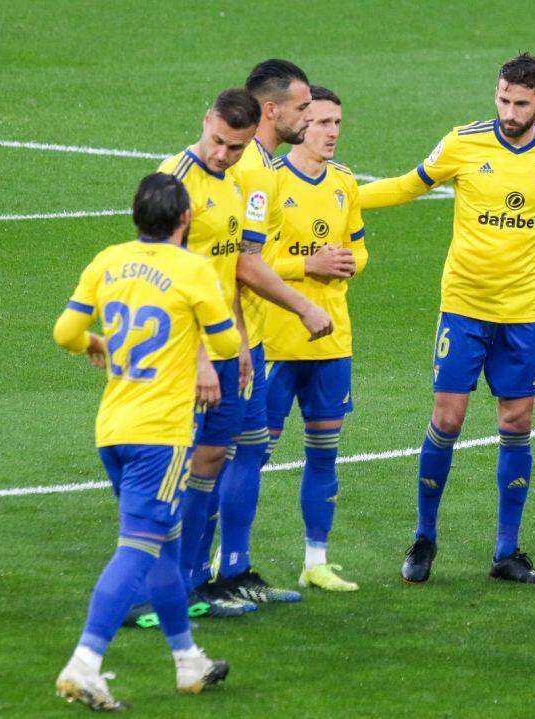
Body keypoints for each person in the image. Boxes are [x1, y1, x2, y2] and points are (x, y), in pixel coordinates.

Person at [360, 52, 535, 584]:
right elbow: (408, 185)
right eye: (503, 100)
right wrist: (340, 198)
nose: (509, 112)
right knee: (448, 419)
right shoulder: (463, 142)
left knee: (517, 422)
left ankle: (506, 551)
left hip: (523, 313)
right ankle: (424, 538)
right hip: (464, 307)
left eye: (521, 103)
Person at [52, 173, 238, 709]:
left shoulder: (107, 261)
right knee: (136, 548)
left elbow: (65, 333)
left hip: (113, 428)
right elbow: (227, 342)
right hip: (161, 437)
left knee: (164, 544)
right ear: (186, 220)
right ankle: (84, 664)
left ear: (136, 216)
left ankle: (188, 661)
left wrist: (96, 342)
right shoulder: (193, 269)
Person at [156, 88, 331, 618]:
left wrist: (239, 341)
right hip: (184, 352)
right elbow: (168, 279)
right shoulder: (175, 181)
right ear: (205, 120)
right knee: (175, 469)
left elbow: (228, 269)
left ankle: (204, 580)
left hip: (227, 348)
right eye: (218, 141)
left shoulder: (235, 183)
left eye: (235, 147)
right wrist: (201, 358)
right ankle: (164, 588)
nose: (222, 154)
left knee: (216, 458)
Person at [208, 59, 319, 605]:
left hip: (240, 332)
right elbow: (243, 264)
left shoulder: (262, 165)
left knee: (247, 448)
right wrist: (303, 306)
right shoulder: (252, 170)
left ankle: (234, 568)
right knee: (216, 455)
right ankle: (200, 577)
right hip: (219, 336)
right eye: (303, 107)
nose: (310, 116)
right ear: (271, 109)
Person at [263, 85, 367, 591]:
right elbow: (253, 260)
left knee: (324, 453)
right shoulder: (271, 180)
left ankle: (315, 561)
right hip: (276, 342)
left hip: (332, 343)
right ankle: (224, 559)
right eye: (323, 122)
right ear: (301, 123)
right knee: (251, 457)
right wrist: (309, 264)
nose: (332, 133)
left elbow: (359, 248)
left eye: (337, 124)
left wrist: (347, 262)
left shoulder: (344, 182)